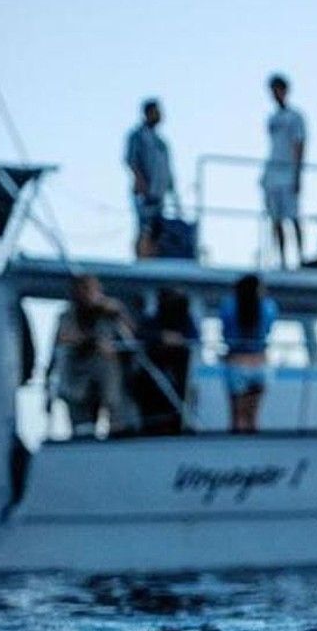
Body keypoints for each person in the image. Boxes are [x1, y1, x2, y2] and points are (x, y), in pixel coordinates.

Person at [52, 275, 139, 437]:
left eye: (93, 289)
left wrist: (118, 313)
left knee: (117, 418)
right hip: (78, 384)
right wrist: (94, 342)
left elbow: (131, 337)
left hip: (108, 382)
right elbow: (66, 337)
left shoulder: (110, 315)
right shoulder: (68, 315)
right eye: (85, 289)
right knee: (83, 430)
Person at [130, 287, 199, 436]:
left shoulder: (186, 322)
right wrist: (161, 337)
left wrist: (179, 340)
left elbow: (194, 338)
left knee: (178, 410)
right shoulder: (151, 322)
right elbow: (139, 334)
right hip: (152, 379)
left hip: (179, 380)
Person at [220, 274, 278, 433]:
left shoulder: (229, 305)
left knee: (237, 418)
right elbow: (268, 329)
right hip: (261, 363)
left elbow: (225, 332)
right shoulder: (268, 306)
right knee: (253, 418)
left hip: (237, 362)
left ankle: (235, 455)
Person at [261, 74, 307, 268]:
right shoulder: (272, 119)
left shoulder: (295, 117)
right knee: (276, 218)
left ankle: (300, 257)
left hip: (288, 172)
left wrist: (297, 174)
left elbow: (299, 144)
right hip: (273, 172)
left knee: (293, 216)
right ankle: (282, 260)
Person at [125, 98, 175, 260]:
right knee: (143, 228)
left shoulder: (161, 142)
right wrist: (142, 184)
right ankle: (140, 257)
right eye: (156, 112)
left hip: (159, 195)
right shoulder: (137, 136)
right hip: (144, 193)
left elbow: (168, 169)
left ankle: (152, 256)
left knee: (157, 229)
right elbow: (131, 161)